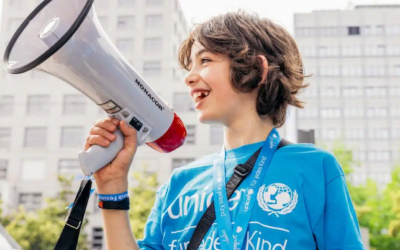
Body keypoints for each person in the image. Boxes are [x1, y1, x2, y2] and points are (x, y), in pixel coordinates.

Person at [85, 11, 366, 250]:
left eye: (205, 60)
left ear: (256, 69)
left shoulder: (315, 168)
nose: (188, 77)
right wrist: (111, 190)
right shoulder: (179, 183)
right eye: (191, 65)